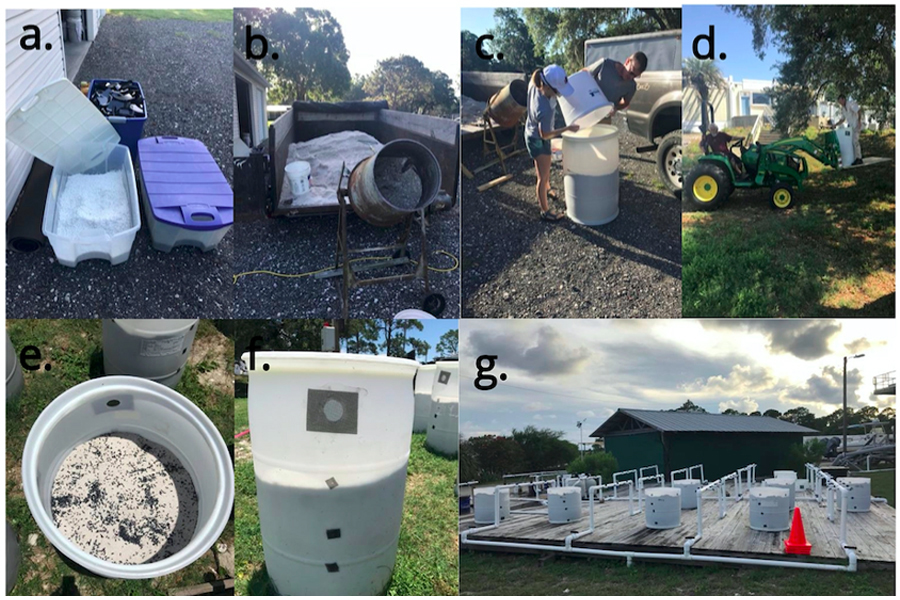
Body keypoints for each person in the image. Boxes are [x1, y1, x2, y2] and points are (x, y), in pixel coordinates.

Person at [525, 64, 580, 221]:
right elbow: (545, 134)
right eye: (557, 91)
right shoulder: (545, 109)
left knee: (542, 170)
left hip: (530, 133)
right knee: (543, 176)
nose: (559, 94)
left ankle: (547, 189)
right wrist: (567, 128)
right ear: (548, 87)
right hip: (538, 139)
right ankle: (545, 211)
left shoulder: (535, 80)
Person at [584, 52, 648, 122]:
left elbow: (625, 102)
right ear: (627, 62)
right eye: (631, 72)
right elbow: (584, 73)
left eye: (635, 76)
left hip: (603, 118)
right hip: (586, 110)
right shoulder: (605, 64)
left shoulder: (631, 86)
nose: (631, 77)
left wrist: (615, 108)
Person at [834, 94, 863, 165]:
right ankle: (855, 158)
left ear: (843, 99)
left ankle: (859, 158)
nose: (840, 103)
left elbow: (858, 110)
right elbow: (842, 119)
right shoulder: (843, 109)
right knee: (852, 142)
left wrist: (859, 121)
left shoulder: (851, 103)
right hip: (851, 127)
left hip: (856, 124)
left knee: (855, 141)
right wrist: (835, 125)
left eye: (840, 101)